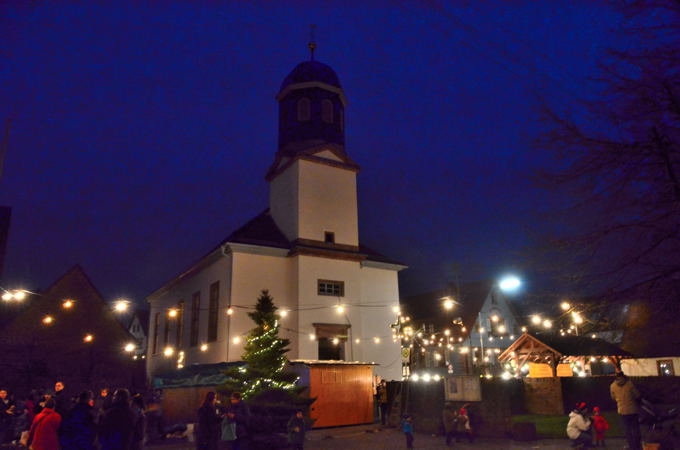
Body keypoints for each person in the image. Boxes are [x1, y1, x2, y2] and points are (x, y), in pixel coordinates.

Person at [610, 371, 642, 450]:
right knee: (635, 429)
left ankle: (631, 446)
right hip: (632, 409)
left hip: (622, 410)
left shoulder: (612, 386)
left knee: (627, 430)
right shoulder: (629, 384)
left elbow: (613, 398)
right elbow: (637, 395)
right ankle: (637, 445)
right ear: (623, 376)